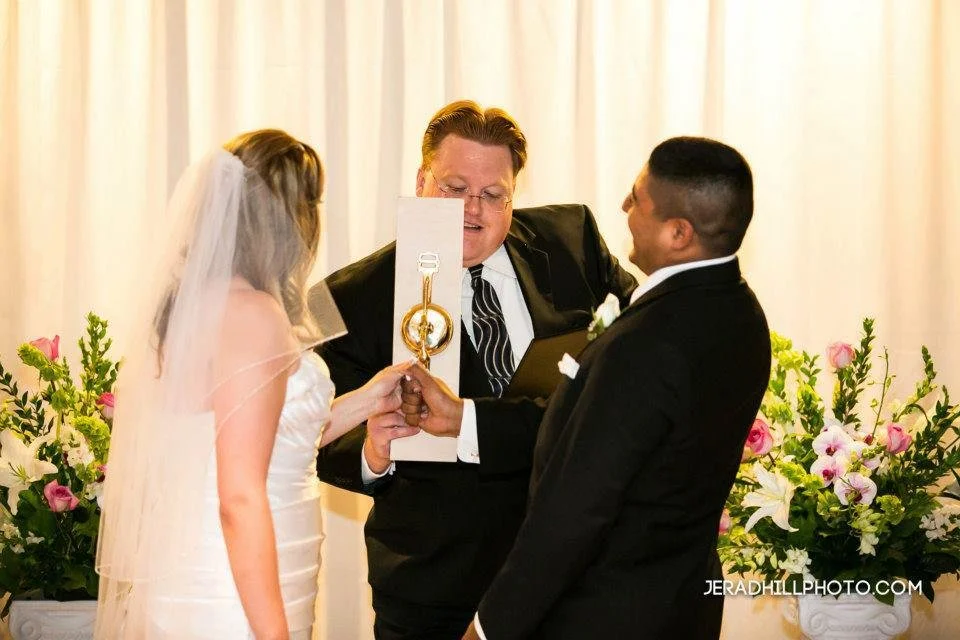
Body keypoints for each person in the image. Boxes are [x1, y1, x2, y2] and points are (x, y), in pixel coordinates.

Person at [412, 136, 771, 639]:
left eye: (638, 199)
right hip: (682, 608)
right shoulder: (742, 315)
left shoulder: (647, 343)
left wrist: (489, 628)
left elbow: (575, 511)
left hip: (603, 615)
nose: (624, 207)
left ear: (678, 233)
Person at [313, 100, 637, 639]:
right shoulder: (347, 297)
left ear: (515, 194)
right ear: (421, 181)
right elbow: (313, 436)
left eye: (493, 195)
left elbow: (640, 334)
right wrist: (373, 451)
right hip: (434, 587)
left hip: (571, 580)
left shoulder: (572, 240)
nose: (473, 210)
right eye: (454, 188)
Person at [95, 129, 411, 639]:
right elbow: (239, 495)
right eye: (310, 205)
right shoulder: (253, 314)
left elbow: (269, 436)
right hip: (234, 585)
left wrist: (370, 398)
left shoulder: (199, 306)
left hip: (224, 565)